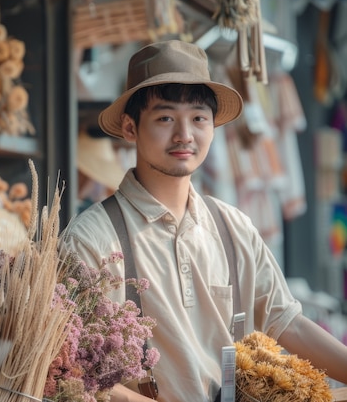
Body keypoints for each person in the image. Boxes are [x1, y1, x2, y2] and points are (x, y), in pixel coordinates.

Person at [59, 39, 347, 402]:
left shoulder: (233, 227)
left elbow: (286, 322)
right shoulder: (93, 240)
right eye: (165, 118)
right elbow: (69, 369)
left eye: (198, 118)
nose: (185, 135)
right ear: (130, 128)